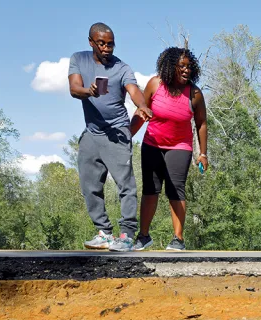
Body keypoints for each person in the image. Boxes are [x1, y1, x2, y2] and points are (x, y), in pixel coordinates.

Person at [68, 22, 152, 250]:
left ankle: (126, 235)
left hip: (117, 132)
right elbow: (74, 88)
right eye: (101, 43)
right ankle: (104, 233)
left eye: (110, 44)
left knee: (125, 185)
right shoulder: (79, 59)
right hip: (92, 132)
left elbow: (134, 91)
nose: (106, 48)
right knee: (89, 186)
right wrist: (88, 91)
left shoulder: (122, 68)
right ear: (91, 42)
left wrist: (142, 105)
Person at [114, 46, 208, 252]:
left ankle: (178, 239)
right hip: (152, 144)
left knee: (176, 190)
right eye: (181, 66)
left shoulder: (194, 94)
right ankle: (143, 236)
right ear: (170, 66)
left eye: (189, 67)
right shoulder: (155, 84)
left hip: (180, 147)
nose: (186, 70)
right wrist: (127, 136)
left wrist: (202, 153)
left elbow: (201, 123)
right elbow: (142, 112)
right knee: (150, 190)